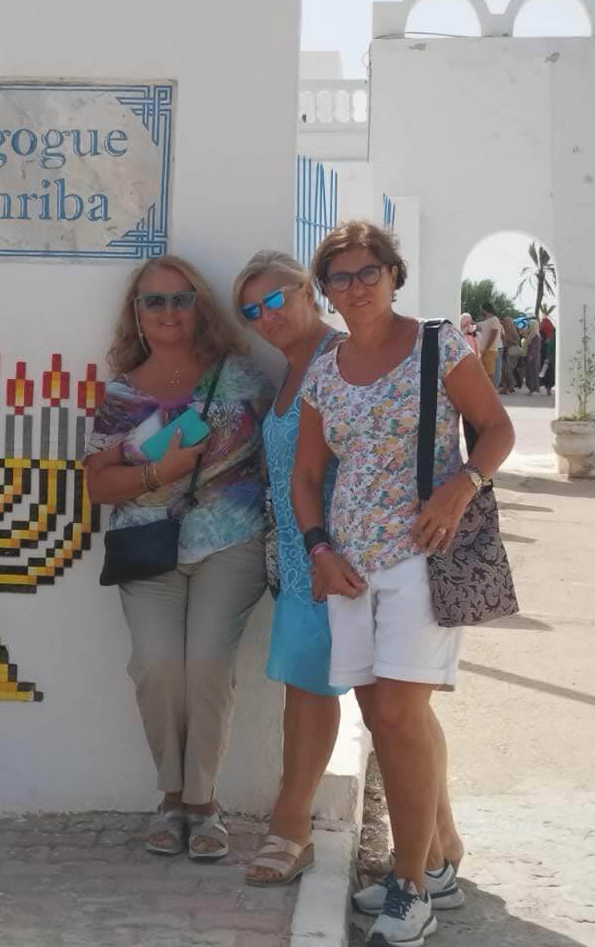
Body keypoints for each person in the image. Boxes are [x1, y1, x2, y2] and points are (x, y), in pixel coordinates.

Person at [291, 221, 515, 947]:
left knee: (396, 717)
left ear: (394, 275)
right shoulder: (325, 371)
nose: (356, 287)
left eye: (369, 272)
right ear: (326, 290)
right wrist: (318, 549)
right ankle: (438, 860)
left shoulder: (438, 347)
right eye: (341, 277)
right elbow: (307, 475)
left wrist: (461, 487)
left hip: (422, 555)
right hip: (350, 568)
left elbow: (496, 429)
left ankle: (410, 888)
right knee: (389, 716)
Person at [85, 255, 272, 862]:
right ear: (136, 314)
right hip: (147, 545)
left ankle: (201, 802)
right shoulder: (121, 393)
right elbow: (96, 484)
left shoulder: (242, 378)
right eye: (154, 301)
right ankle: (171, 797)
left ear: (200, 306)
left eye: (180, 298)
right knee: (158, 666)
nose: (168, 311)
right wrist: (157, 474)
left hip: (231, 542)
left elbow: (281, 452)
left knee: (209, 667)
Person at [230, 251, 345, 886]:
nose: (266, 317)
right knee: (308, 688)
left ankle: (291, 825)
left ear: (308, 291)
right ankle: (438, 841)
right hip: (301, 561)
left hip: (340, 555)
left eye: (275, 299)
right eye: (251, 311)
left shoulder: (340, 359)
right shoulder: (292, 370)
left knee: (385, 704)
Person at [476, 303, 504, 391]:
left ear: (485, 309)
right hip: (484, 349)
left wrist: (487, 348)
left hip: (490, 350)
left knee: (489, 372)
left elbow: (493, 335)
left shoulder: (494, 320)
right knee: (484, 372)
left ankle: (491, 390)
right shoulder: (487, 320)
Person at [498, 315, 524, 395]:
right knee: (506, 370)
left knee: (507, 370)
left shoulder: (512, 331)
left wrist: (508, 341)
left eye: (506, 321)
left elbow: (516, 341)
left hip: (511, 352)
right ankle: (508, 386)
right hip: (507, 351)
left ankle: (509, 386)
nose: (504, 323)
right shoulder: (506, 329)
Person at [522, 321, 543, 396]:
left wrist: (531, 355)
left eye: (529, 325)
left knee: (533, 373)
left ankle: (533, 389)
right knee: (530, 373)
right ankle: (532, 389)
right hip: (531, 356)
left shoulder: (535, 336)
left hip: (533, 357)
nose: (528, 326)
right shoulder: (532, 335)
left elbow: (533, 347)